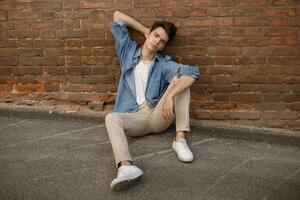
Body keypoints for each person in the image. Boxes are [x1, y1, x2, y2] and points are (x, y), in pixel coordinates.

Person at [105, 10, 200, 191]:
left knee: (181, 79)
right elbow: (117, 16)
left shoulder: (163, 64)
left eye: (162, 41)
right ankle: (126, 167)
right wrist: (144, 29)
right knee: (111, 118)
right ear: (150, 34)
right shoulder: (127, 52)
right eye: (156, 35)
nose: (157, 41)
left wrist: (170, 96)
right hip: (134, 117)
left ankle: (180, 139)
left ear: (163, 46)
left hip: (158, 117)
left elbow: (192, 72)